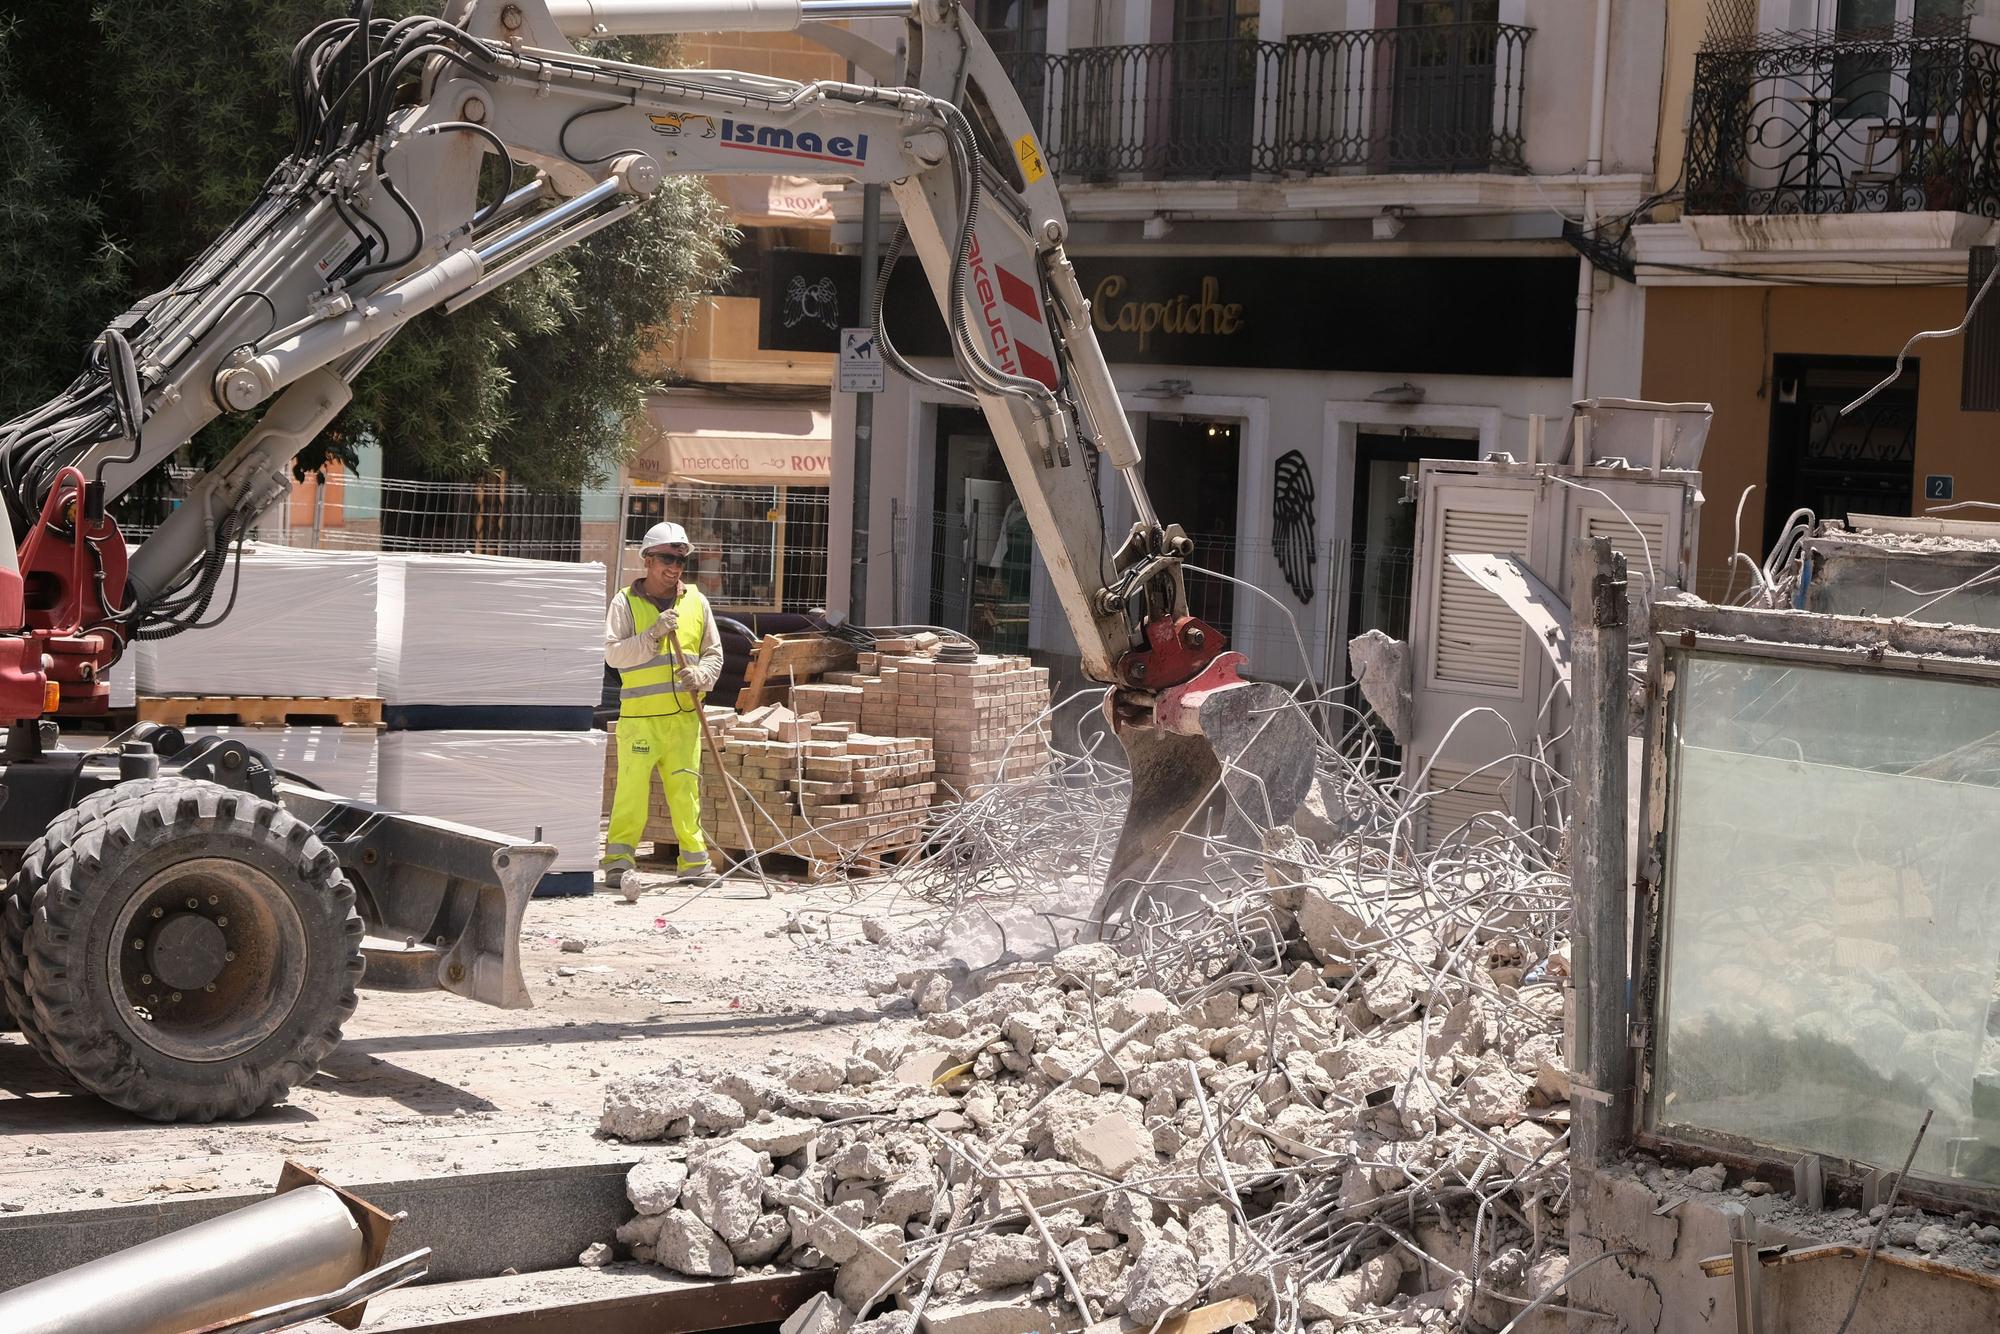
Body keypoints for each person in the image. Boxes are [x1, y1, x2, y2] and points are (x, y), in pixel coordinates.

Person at [602, 521, 725, 898]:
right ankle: (619, 861)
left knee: (686, 791)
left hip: (684, 720)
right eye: (667, 559)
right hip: (640, 721)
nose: (674, 568)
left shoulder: (696, 602)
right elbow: (613, 654)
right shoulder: (625, 602)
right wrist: (652, 635)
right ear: (648, 560)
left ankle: (694, 862)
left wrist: (702, 675)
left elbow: (714, 653)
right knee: (631, 793)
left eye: (680, 560)